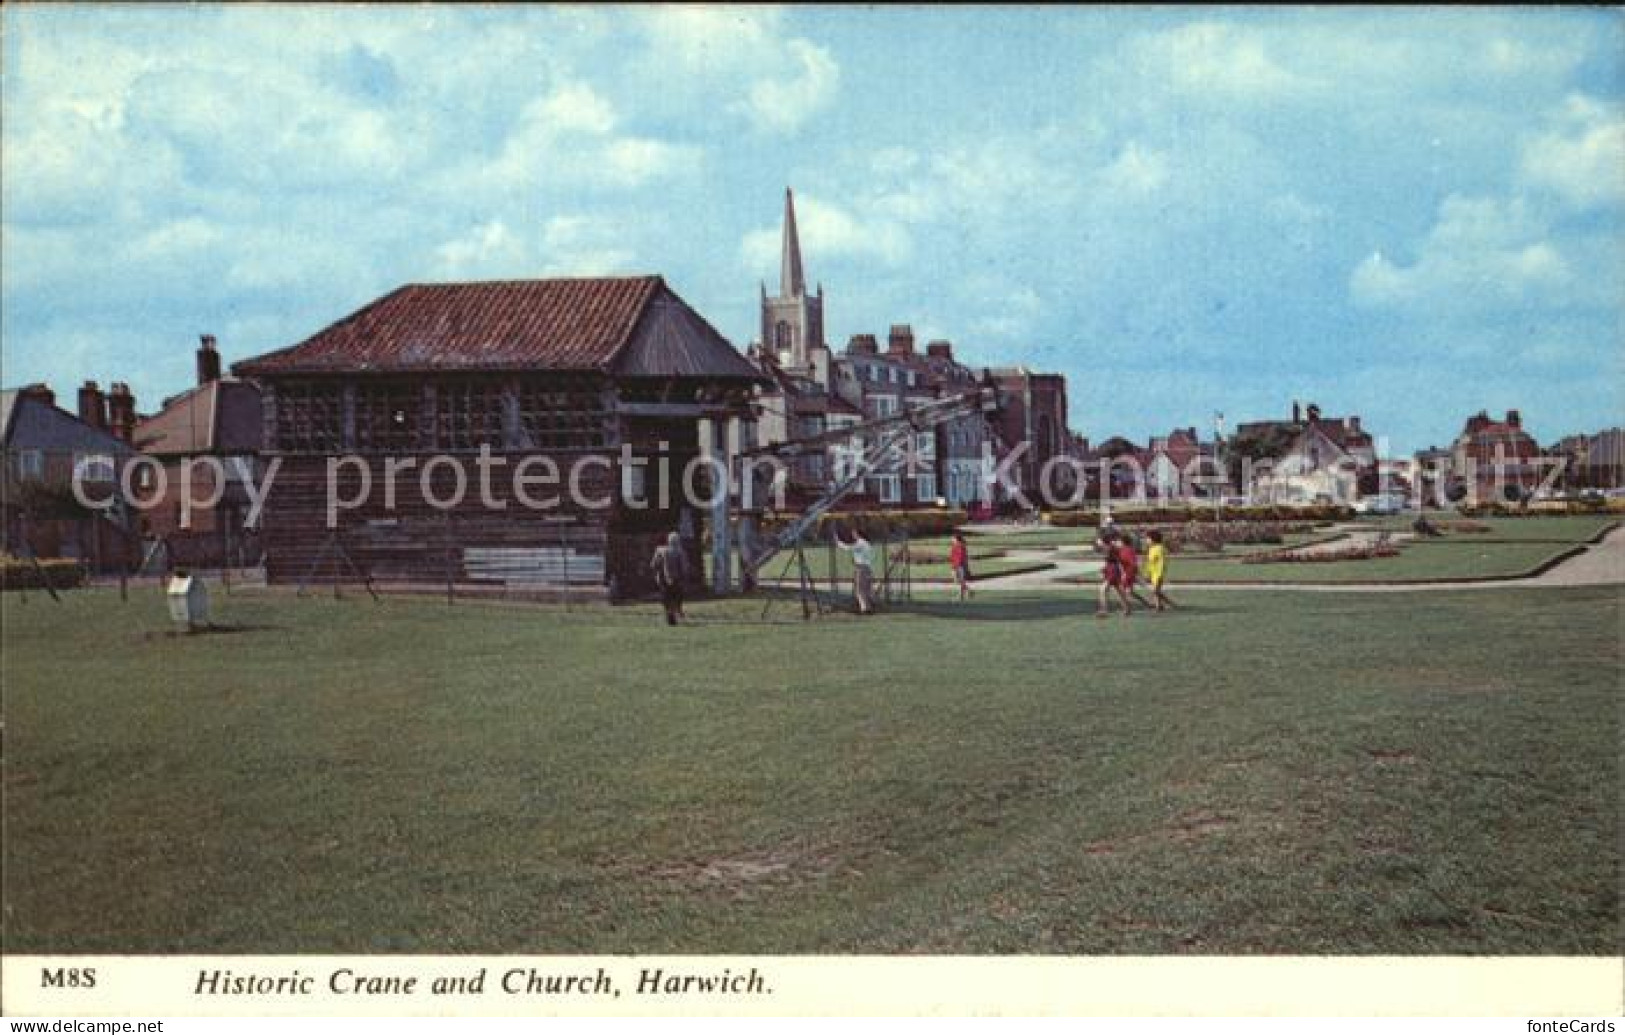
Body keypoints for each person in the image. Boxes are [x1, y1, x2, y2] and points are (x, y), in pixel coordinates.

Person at [650, 531, 686, 626]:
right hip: (676, 579)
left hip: (663, 579)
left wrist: (657, 574)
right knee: (676, 597)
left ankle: (670, 614)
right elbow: (684, 567)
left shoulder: (660, 550)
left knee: (666, 597)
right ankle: (677, 611)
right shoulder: (680, 552)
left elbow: (653, 565)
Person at [835, 527, 875, 615]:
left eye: (854, 533)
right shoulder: (867, 543)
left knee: (859, 590)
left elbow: (848, 548)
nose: (853, 535)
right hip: (868, 568)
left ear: (857, 533)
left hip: (861, 569)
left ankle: (864, 609)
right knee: (865, 590)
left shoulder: (860, 543)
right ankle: (868, 607)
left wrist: (838, 542)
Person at [1094, 528, 1129, 619]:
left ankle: (1104, 610)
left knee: (1103, 589)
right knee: (1118, 590)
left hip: (1113, 570)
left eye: (1099, 539)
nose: (1098, 541)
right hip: (1112, 570)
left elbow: (1114, 560)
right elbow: (1111, 561)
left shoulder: (1109, 548)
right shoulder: (1109, 548)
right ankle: (1126, 608)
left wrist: (1123, 571)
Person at [1145, 529, 1176, 612]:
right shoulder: (1151, 549)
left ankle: (1170, 604)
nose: (1146, 540)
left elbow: (1162, 563)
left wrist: (1159, 574)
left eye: (1148, 538)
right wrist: (1148, 573)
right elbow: (1150, 562)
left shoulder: (1160, 548)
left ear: (1153, 538)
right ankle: (1159, 607)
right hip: (1153, 573)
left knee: (1155, 591)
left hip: (1158, 573)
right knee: (1156, 591)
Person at [948, 531, 974, 601]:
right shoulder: (955, 546)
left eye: (952, 538)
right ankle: (969, 591)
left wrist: (962, 566)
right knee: (958, 580)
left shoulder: (961, 546)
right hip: (955, 565)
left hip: (960, 565)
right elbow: (952, 556)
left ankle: (961, 596)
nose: (951, 540)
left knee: (961, 580)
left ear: (956, 539)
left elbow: (962, 557)